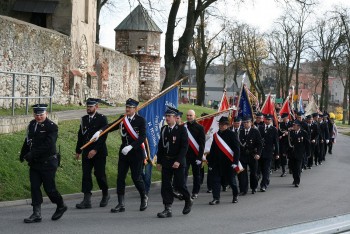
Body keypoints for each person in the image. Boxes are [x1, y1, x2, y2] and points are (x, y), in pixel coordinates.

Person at [91, 98, 148, 213]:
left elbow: (142, 137)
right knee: (120, 178)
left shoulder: (141, 120)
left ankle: (144, 197)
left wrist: (131, 146)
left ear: (135, 109)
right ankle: (120, 203)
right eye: (126, 107)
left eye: (130, 108)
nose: (127, 109)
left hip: (136, 152)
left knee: (136, 178)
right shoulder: (123, 119)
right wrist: (100, 132)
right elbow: (110, 126)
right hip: (124, 152)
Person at [19, 104, 67, 223]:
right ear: (34, 114)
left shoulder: (52, 127)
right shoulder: (32, 124)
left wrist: (32, 153)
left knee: (49, 189)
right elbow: (28, 140)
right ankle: (36, 214)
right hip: (35, 163)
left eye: (41, 114)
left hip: (48, 162)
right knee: (35, 187)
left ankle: (60, 205)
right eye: (36, 115)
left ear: (46, 114)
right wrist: (23, 153)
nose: (39, 117)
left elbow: (48, 145)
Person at [156, 106, 192, 218]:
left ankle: (188, 200)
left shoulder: (181, 129)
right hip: (166, 161)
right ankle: (167, 208)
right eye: (166, 116)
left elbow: (184, 147)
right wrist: (159, 161)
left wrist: (178, 161)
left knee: (180, 185)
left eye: (169, 116)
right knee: (165, 186)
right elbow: (161, 147)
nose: (167, 118)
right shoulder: (164, 130)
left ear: (175, 118)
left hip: (178, 162)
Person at [75, 98, 109, 209]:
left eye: (91, 107)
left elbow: (103, 137)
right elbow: (81, 135)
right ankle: (86, 199)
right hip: (86, 151)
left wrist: (95, 150)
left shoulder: (102, 119)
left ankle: (105, 194)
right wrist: (78, 150)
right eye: (87, 106)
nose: (88, 108)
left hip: (99, 152)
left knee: (99, 175)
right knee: (86, 175)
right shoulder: (84, 119)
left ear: (96, 107)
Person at [207, 116, 240, 205]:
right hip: (217, 163)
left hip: (229, 162)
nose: (221, 126)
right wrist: (210, 163)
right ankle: (216, 198)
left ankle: (235, 195)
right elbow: (213, 150)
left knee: (232, 181)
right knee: (216, 181)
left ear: (227, 125)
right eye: (220, 124)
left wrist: (235, 162)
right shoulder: (216, 135)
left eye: (223, 124)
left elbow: (236, 149)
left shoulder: (232, 134)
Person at [184, 110, 205, 199]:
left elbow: (202, 144)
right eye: (187, 115)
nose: (188, 117)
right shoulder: (184, 127)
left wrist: (199, 157)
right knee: (183, 174)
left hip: (196, 155)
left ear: (194, 116)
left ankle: (195, 192)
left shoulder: (200, 128)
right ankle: (183, 192)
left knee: (196, 175)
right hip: (185, 155)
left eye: (190, 115)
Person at [238, 116, 262, 195]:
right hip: (243, 156)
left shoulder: (255, 131)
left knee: (253, 173)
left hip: (253, 155)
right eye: (244, 122)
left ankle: (254, 187)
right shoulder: (240, 132)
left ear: (251, 123)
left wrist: (258, 154)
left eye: (247, 122)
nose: (245, 124)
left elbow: (259, 144)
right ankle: (244, 189)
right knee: (242, 173)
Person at [258, 114, 279, 192]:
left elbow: (276, 142)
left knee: (266, 169)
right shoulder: (260, 128)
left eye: (269, 120)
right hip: (260, 153)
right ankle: (266, 180)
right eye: (266, 119)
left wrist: (277, 153)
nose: (267, 121)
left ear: (271, 121)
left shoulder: (274, 129)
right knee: (260, 169)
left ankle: (264, 185)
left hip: (269, 152)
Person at [288, 120, 310, 187]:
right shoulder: (291, 133)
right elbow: (288, 143)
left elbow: (307, 144)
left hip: (300, 153)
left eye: (294, 125)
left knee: (298, 168)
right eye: (293, 125)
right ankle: (295, 179)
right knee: (292, 168)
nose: (293, 126)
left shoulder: (303, 133)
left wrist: (308, 153)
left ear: (298, 126)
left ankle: (297, 181)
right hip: (292, 153)